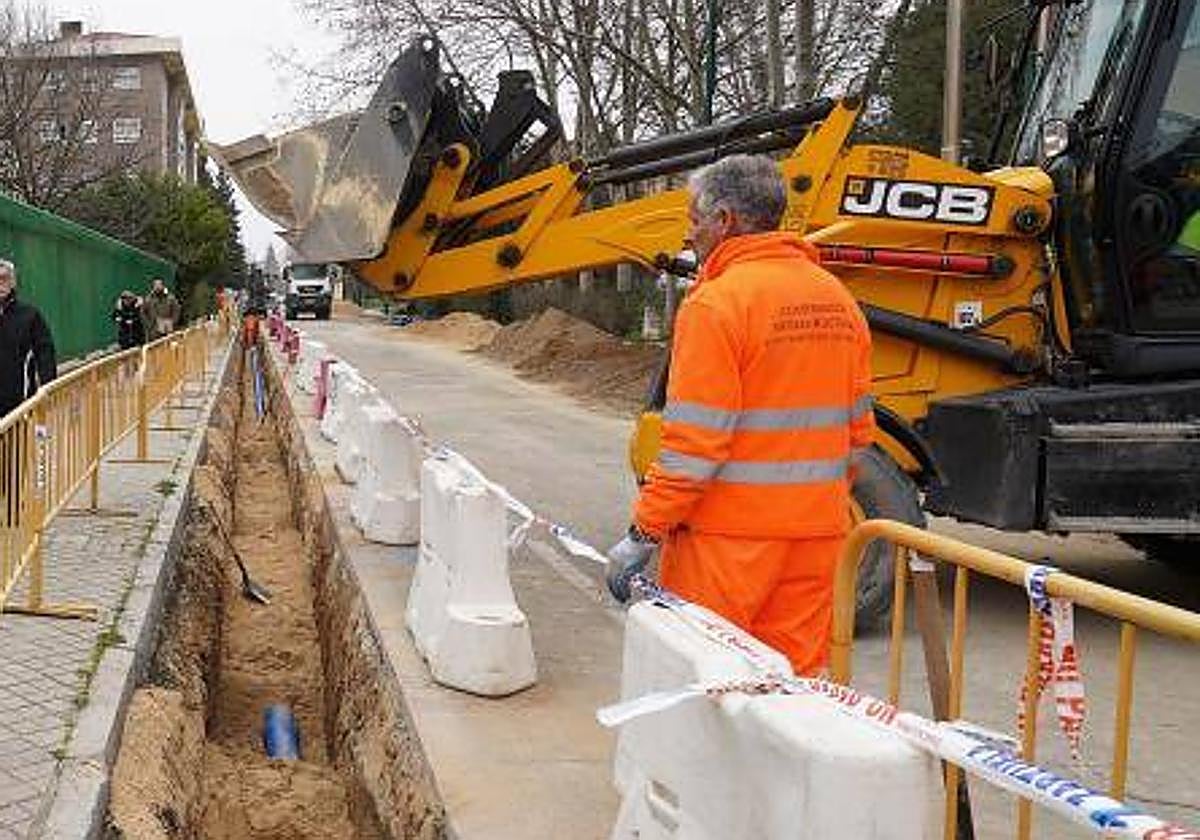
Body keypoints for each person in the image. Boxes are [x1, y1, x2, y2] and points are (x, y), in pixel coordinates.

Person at [606, 154, 875, 676]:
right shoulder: (838, 300)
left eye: (693, 219)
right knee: (790, 691)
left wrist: (643, 533)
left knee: (712, 684)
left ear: (724, 221)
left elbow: (694, 449)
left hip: (728, 546)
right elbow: (858, 432)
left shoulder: (717, 305)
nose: (690, 234)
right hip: (817, 536)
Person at [0, 258, 56, 418]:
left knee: (16, 443)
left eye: (5, 278)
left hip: (19, 402)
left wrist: (47, 385)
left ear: (13, 282)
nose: (0, 284)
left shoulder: (30, 315)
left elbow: (45, 350)